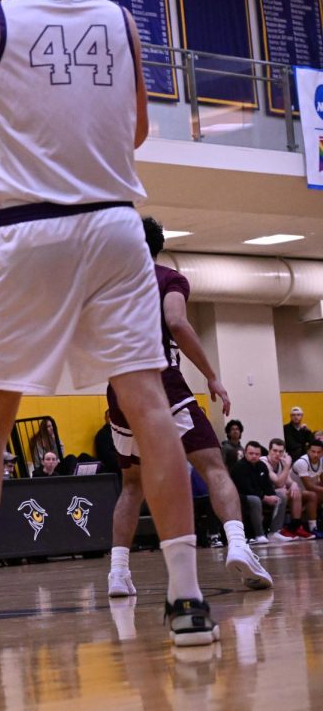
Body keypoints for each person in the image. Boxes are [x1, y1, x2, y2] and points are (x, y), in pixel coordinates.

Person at [0, 0, 217, 659]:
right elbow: (136, 130)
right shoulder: (121, 18)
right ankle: (188, 599)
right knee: (149, 405)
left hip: (30, 228)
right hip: (115, 226)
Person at [104, 220, 272, 594]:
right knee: (214, 467)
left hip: (117, 388)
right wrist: (212, 375)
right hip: (160, 380)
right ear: (157, 247)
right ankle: (239, 545)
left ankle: (118, 572)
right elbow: (176, 322)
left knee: (132, 485)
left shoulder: (109, 285)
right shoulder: (167, 278)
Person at [263, 438, 314, 540]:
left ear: (284, 452)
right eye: (275, 451)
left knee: (296, 490)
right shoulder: (264, 462)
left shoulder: (281, 462)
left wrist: (294, 484)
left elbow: (289, 482)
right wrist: (287, 466)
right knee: (282, 493)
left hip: (277, 493)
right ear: (269, 451)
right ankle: (274, 531)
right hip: (264, 494)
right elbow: (278, 483)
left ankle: (295, 527)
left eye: (281, 451)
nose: (278, 454)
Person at [230, 442, 282, 543]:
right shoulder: (239, 467)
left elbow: (267, 484)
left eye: (257, 454)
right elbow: (246, 489)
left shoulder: (262, 466)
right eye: (251, 453)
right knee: (255, 500)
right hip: (242, 497)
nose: (254, 456)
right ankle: (259, 534)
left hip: (259, 495)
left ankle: (274, 532)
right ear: (245, 453)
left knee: (281, 496)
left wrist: (272, 495)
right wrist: (265, 497)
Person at [291, 440, 323, 538]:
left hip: (306, 490)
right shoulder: (302, 462)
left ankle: (316, 522)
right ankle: (313, 528)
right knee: (313, 495)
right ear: (308, 451)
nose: (316, 454)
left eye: (319, 452)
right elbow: (308, 486)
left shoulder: (321, 461)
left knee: (318, 493)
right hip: (293, 491)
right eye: (313, 452)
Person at [93, 410, 120, 476]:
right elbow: (107, 456)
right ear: (105, 418)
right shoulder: (102, 434)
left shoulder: (121, 432)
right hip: (111, 467)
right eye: (109, 417)